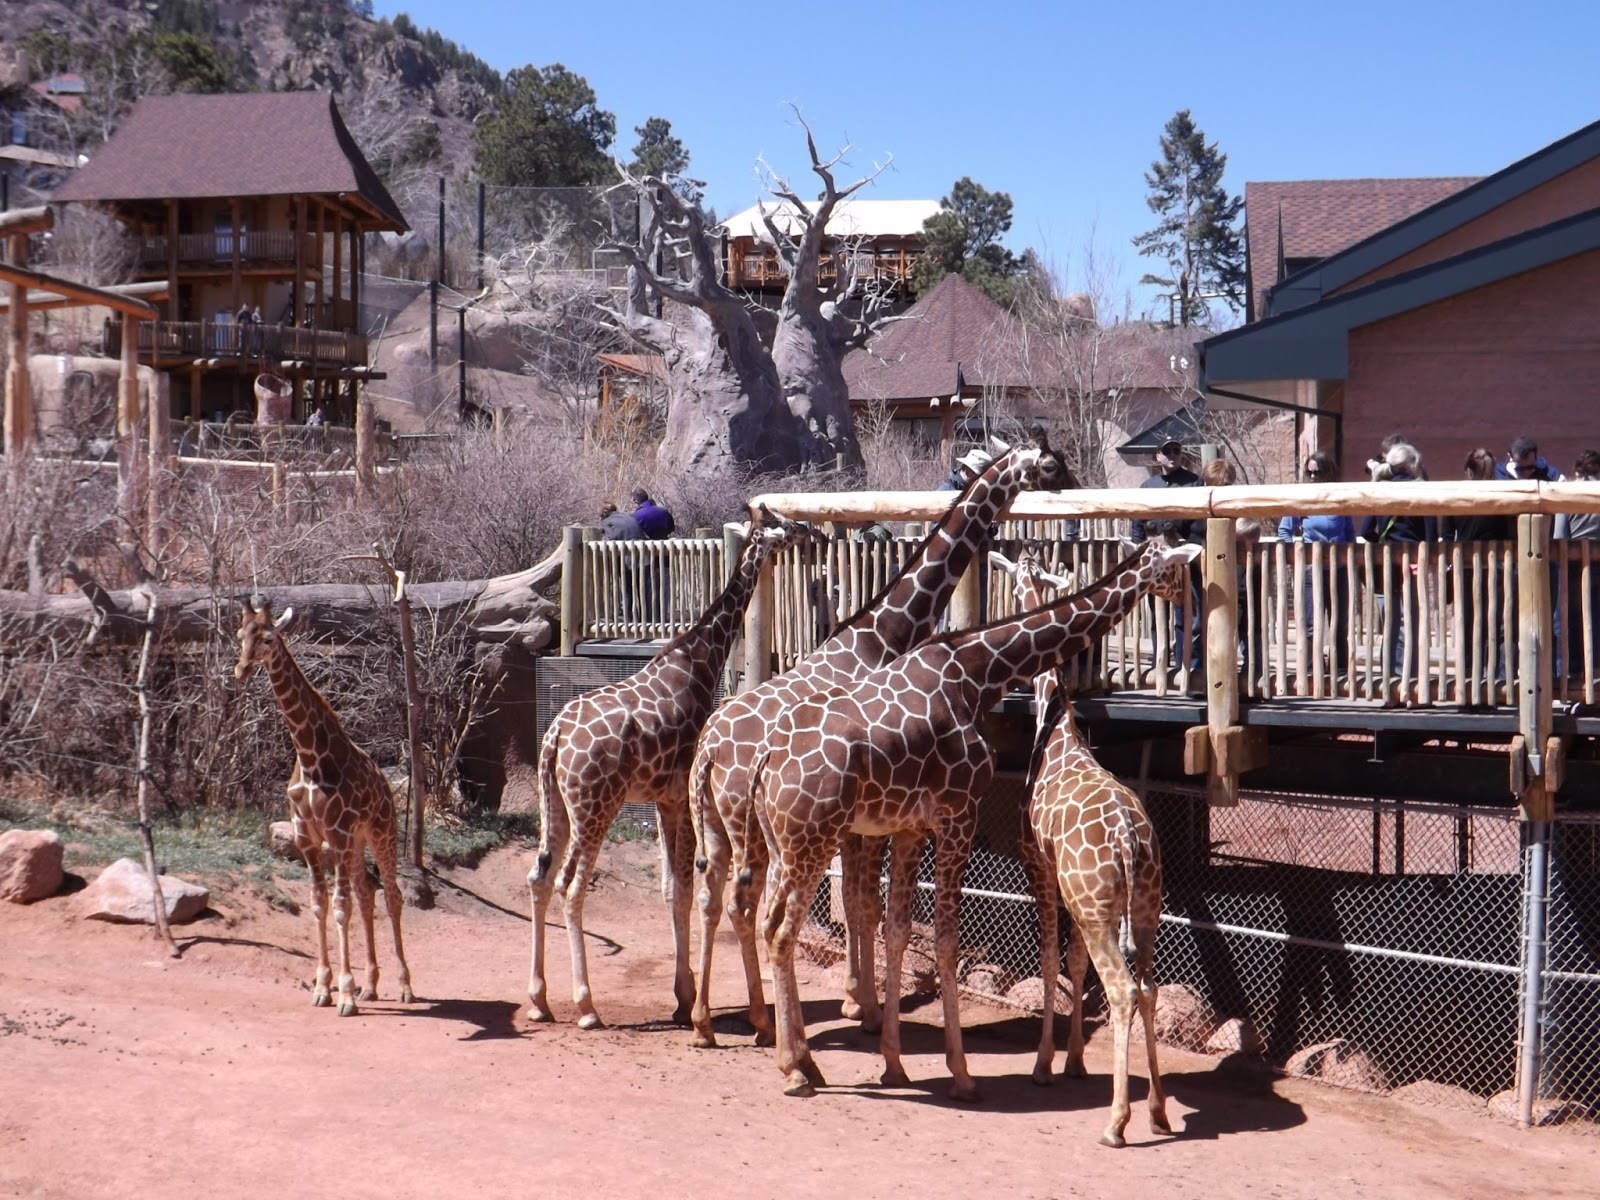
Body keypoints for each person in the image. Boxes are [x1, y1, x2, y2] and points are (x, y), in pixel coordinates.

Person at [1360, 442, 1436, 697]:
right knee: (1411, 624)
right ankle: (1411, 688)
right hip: (1414, 561)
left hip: (1386, 563)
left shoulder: (1380, 489)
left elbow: (1365, 531)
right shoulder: (1421, 490)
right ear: (1412, 464)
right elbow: (1430, 533)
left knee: (1390, 625)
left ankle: (1389, 688)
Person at [1441, 449, 1514, 700]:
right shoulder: (1500, 496)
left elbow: (1447, 532)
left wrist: (1450, 559)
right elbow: (1509, 533)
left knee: (1467, 628)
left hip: (1465, 569)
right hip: (1494, 569)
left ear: (1469, 470)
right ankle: (1490, 689)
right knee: (1492, 629)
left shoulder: (1458, 496)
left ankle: (1467, 686)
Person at [1279, 451, 1356, 679]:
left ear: (1328, 472)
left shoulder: (1339, 497)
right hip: (1311, 569)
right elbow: (1285, 530)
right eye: (1309, 472)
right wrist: (1295, 556)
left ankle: (1340, 669)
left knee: (1339, 622)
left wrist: (1348, 554)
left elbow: (1349, 531)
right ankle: (1312, 670)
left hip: (1339, 568)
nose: (1313, 477)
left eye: (1318, 472)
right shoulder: (1301, 497)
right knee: (1312, 623)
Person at [1130, 439, 1203, 675]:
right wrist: (1138, 547)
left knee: (1188, 615)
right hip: (1156, 562)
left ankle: (1188, 665)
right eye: (1167, 451)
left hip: (1184, 559)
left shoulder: (1195, 482)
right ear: (1158, 456)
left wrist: (1185, 543)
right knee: (1156, 614)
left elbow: (1199, 522)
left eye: (1176, 451)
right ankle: (1158, 665)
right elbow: (1137, 523)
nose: (1172, 455)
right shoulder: (1148, 486)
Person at [1555, 449, 1600, 683]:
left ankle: (1574, 676)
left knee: (1573, 621)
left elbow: (1559, 534)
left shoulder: (1567, 494)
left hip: (1573, 567)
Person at [1496, 435, 1565, 482]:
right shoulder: (1497, 474)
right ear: (1511, 457)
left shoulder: (1551, 475)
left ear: (1536, 459)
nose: (1526, 472)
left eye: (1530, 468)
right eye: (1519, 469)